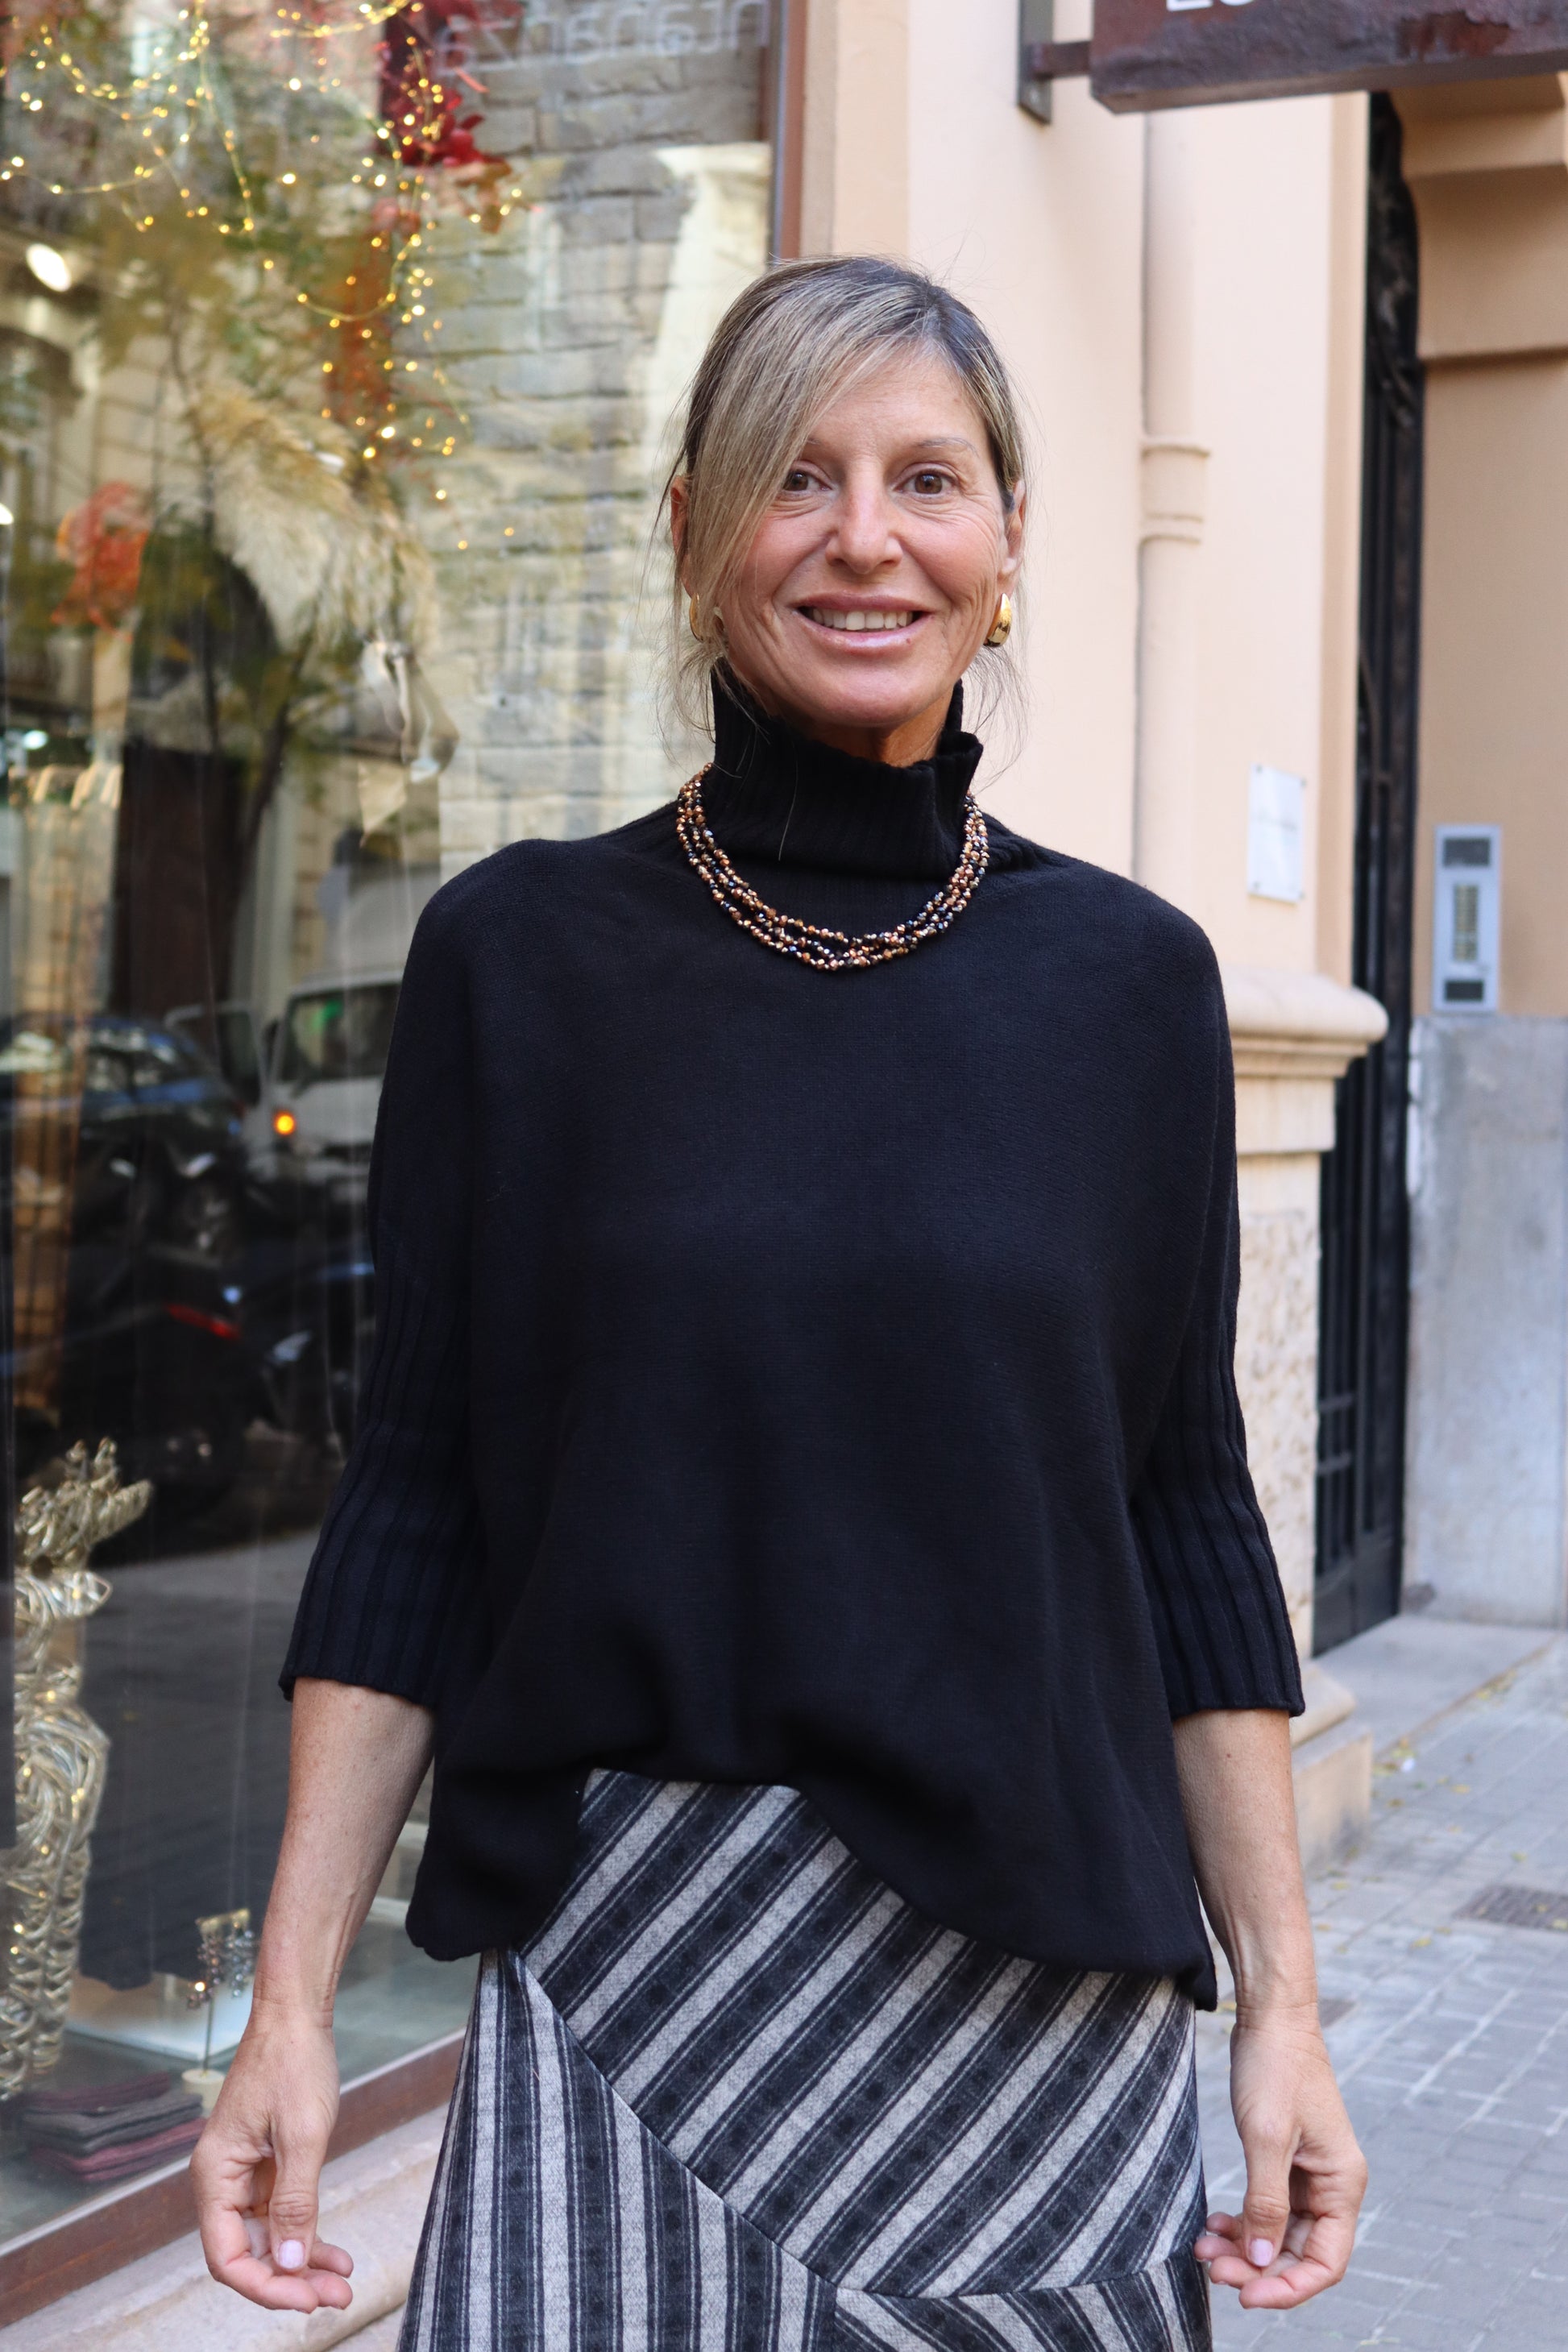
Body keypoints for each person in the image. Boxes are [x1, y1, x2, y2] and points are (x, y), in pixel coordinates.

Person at [193, 256, 1367, 2351]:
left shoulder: (1128, 987)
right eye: (794, 477)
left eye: (927, 480)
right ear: (692, 531)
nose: (862, 539)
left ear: (1007, 540)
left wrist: (1282, 2007)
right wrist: (288, 2008)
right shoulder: (519, 958)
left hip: (1038, 2021)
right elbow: (414, 1509)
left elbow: (1185, 1517)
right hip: (633, 1988)